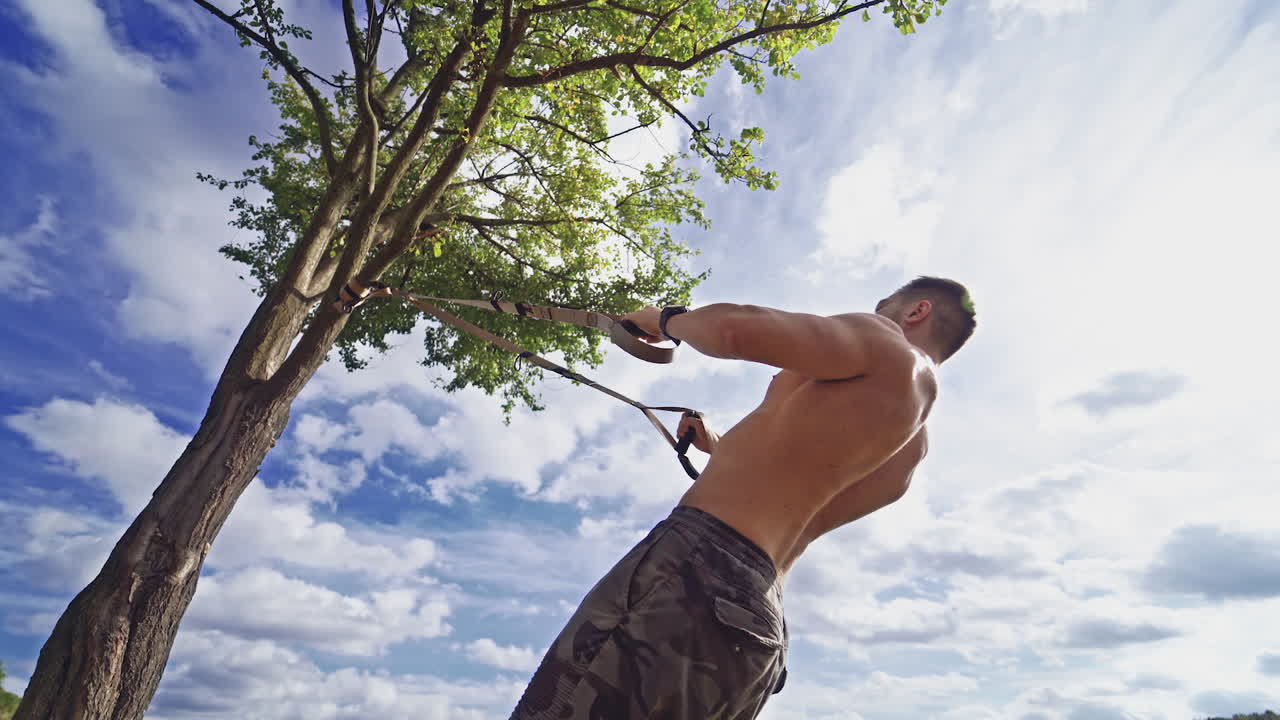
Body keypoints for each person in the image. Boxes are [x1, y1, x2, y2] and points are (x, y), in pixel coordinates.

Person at [508, 276, 978, 720]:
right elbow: (795, 495)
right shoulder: (910, 451)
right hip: (754, 627)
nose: (876, 312)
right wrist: (719, 446)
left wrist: (665, 319)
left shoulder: (887, 343)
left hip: (693, 576)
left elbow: (734, 330)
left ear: (917, 309)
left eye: (884, 306)